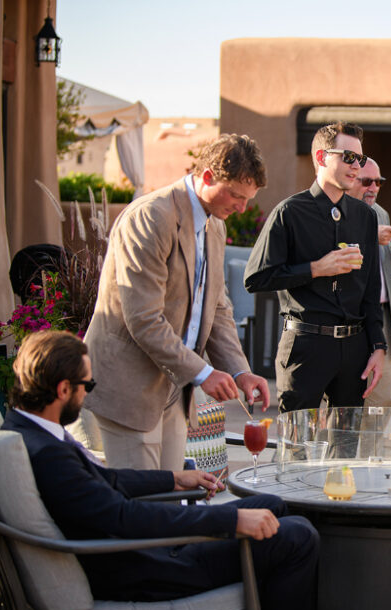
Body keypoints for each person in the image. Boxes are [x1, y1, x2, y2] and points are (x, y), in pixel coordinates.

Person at [1, 330, 319, 610]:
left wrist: (172, 479)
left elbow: (106, 484)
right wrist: (231, 520)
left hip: (134, 552)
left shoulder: (31, 432)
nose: (87, 393)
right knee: (297, 537)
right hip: (143, 566)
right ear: (63, 390)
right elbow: (124, 517)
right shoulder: (48, 455)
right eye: (86, 386)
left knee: (272, 505)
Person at [85, 134, 271, 471]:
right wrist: (204, 373)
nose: (242, 208)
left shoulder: (215, 225)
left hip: (173, 390)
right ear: (208, 177)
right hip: (130, 388)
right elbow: (143, 319)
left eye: (248, 199)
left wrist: (241, 371)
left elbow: (216, 309)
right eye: (235, 195)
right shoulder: (150, 217)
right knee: (141, 509)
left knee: (169, 503)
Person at [245, 121, 386, 412]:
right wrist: (315, 269)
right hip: (305, 343)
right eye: (348, 157)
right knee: (298, 446)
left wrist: (378, 347)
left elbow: (371, 289)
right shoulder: (289, 212)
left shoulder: (365, 217)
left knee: (346, 446)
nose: (356, 166)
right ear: (321, 158)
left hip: (354, 347)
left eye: (359, 159)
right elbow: (256, 278)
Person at [344, 157, 391, 406]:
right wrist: (370, 236)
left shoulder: (380, 213)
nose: (373, 187)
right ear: (351, 179)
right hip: (350, 318)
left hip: (382, 317)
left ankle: (372, 447)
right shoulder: (338, 212)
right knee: (343, 406)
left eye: (378, 182)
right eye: (366, 181)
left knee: (381, 402)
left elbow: (384, 272)